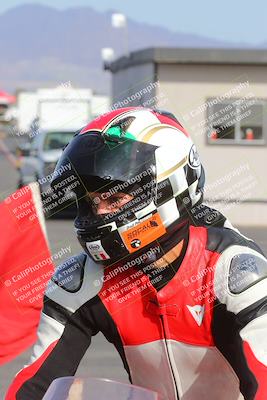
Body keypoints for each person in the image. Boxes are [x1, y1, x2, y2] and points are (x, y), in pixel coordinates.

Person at [6, 107, 267, 400]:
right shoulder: (83, 281)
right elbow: (35, 385)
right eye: (91, 202)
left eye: (115, 199)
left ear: (170, 188)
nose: (99, 212)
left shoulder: (234, 271)